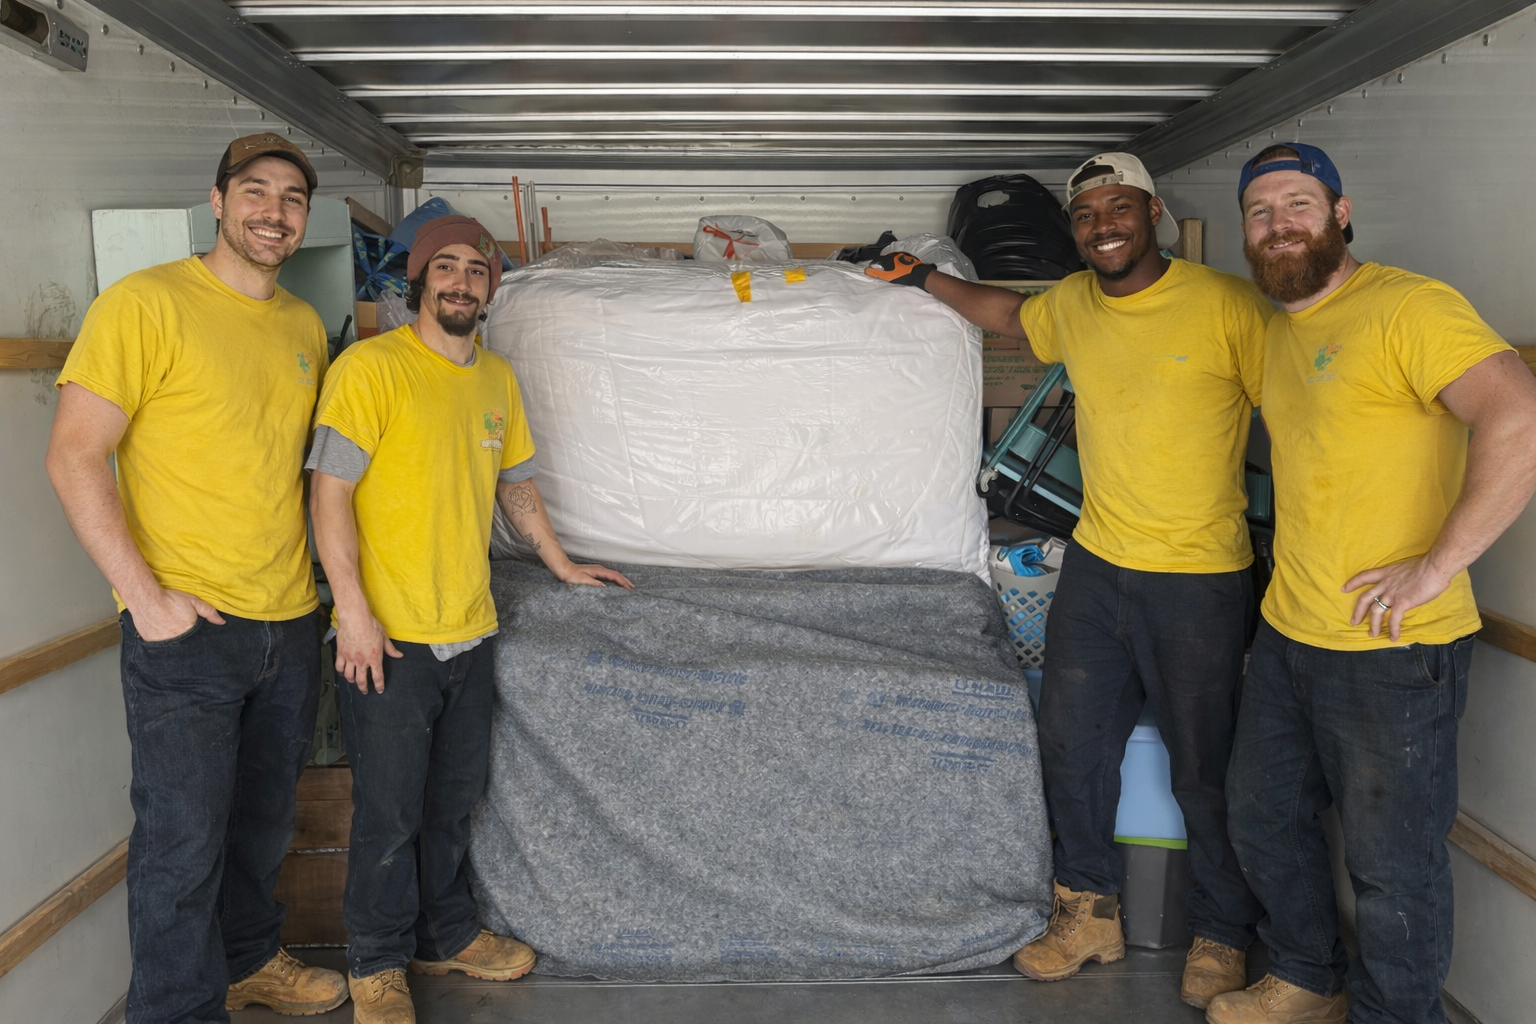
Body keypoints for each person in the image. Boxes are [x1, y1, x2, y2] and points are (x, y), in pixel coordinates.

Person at [867, 153, 1269, 1008]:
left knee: (1205, 765)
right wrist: (921, 278)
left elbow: (1301, 414)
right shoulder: (1076, 303)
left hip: (1198, 576)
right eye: (1086, 215)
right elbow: (1008, 314)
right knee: (1071, 745)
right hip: (1097, 564)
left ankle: (1223, 931)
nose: (1102, 226)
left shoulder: (1230, 306)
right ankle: (1088, 913)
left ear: (1152, 213)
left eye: (1118, 208)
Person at [1211, 144, 1536, 1024]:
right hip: (1291, 630)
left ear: (1341, 214)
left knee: (1394, 868)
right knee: (1261, 817)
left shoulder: (1409, 307)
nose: (1279, 224)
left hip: (1395, 646)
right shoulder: (1279, 332)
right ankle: (1309, 978)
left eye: (1298, 203)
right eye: (1260, 211)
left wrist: (1437, 566)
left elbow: (1518, 415)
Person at [45, 134, 347, 1022]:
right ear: (216, 202)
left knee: (262, 825)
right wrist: (147, 601)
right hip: (187, 630)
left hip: (287, 620)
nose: (274, 212)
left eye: (292, 199)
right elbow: (73, 456)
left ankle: (248, 963)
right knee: (182, 845)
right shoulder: (144, 305)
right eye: (255, 191)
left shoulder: (302, 326)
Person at [308, 214, 634, 1024]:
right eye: (445, 267)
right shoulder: (370, 369)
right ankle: (376, 964)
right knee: (389, 812)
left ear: (490, 289)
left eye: (476, 270)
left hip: (470, 628)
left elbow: (515, 485)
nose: (460, 282)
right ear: (419, 281)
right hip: (390, 636)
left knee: (454, 800)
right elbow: (329, 495)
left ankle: (444, 935)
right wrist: (353, 612)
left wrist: (560, 563)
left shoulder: (496, 380)